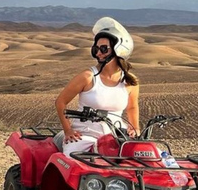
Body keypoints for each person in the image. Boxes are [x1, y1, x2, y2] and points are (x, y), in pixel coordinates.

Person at [55, 17, 140, 156]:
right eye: (96, 49)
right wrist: (68, 130)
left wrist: (135, 127)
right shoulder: (87, 77)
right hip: (85, 136)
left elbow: (132, 107)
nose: (98, 53)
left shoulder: (130, 82)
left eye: (104, 49)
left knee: (148, 159)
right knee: (74, 163)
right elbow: (61, 102)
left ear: (119, 50)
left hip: (117, 137)